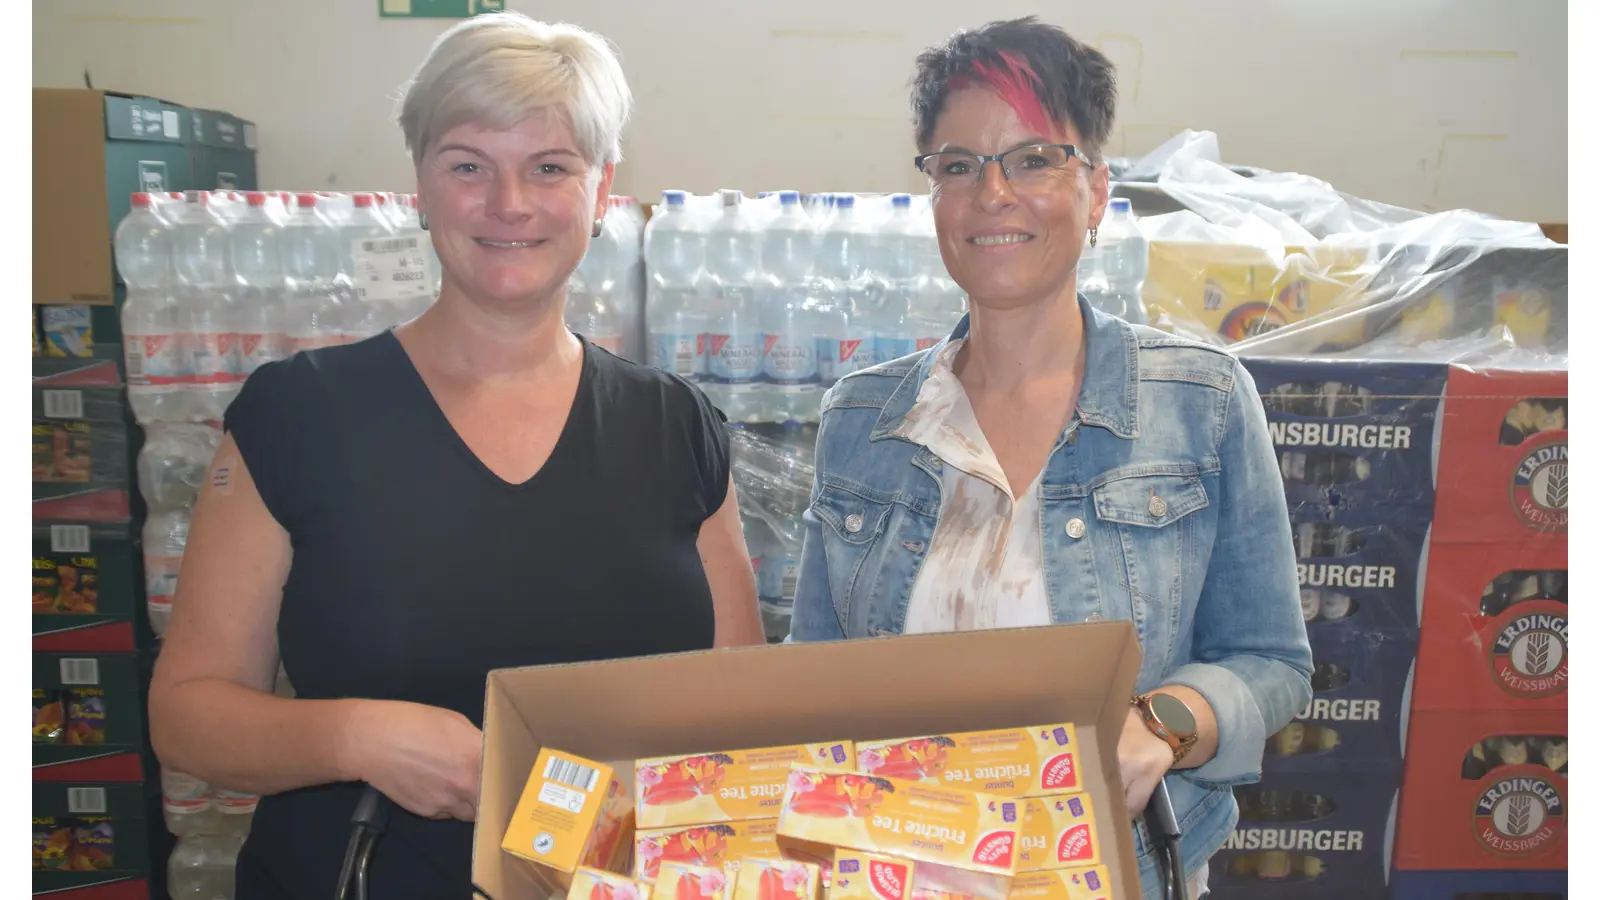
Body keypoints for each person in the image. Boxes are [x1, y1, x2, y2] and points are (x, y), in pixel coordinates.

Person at [147, 13, 764, 899]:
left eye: (549, 167)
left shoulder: (677, 428)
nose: (509, 202)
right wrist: (359, 738)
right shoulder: (299, 415)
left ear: (601, 192)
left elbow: (730, 710)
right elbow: (190, 716)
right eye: (468, 164)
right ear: (420, 189)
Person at [787, 18, 1311, 900]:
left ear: (1097, 191)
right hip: (890, 872)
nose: (993, 192)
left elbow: (1272, 662)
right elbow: (812, 676)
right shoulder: (864, 416)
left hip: (1120, 872)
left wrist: (1163, 722)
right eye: (959, 165)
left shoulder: (1201, 400)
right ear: (935, 196)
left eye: (1033, 158)